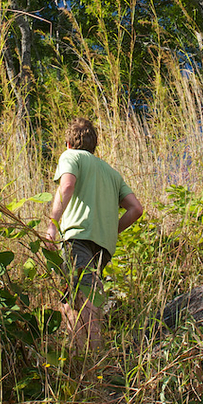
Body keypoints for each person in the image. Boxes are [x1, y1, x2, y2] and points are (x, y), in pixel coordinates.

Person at [46, 116, 144, 353]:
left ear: (69, 143)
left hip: (77, 237)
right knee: (73, 297)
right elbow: (136, 209)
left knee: (84, 298)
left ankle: (92, 359)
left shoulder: (70, 156)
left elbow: (67, 186)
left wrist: (52, 224)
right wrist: (111, 229)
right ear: (94, 146)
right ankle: (79, 354)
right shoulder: (111, 173)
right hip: (103, 246)